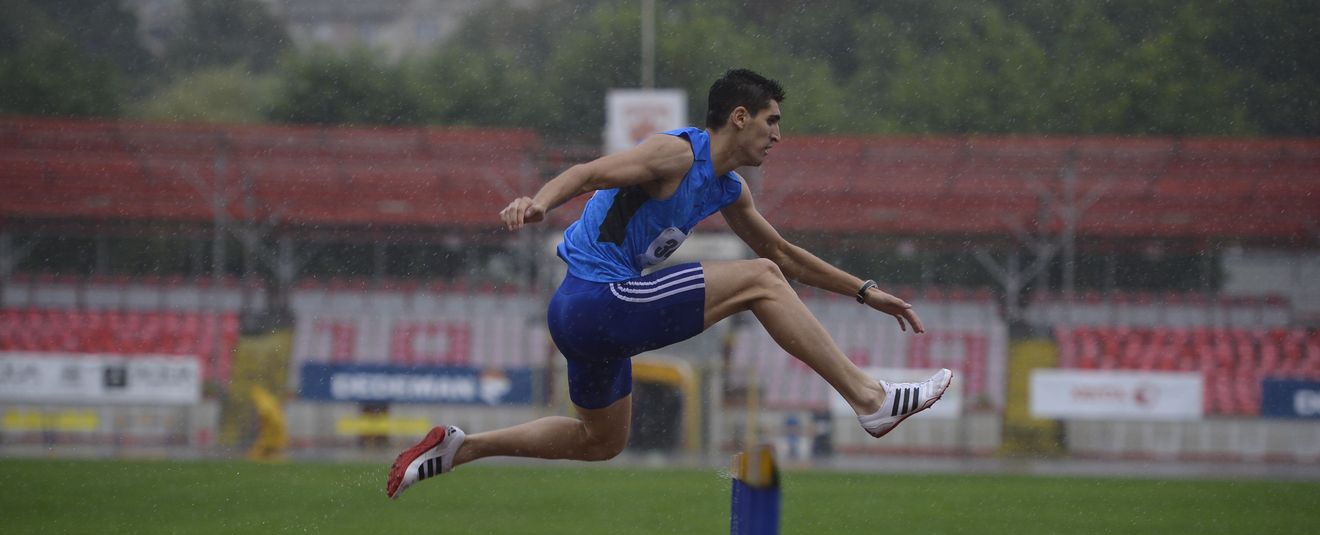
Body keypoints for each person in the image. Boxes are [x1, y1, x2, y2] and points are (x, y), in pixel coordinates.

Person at [387, 68, 951, 500]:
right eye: (771, 121)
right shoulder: (677, 153)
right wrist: (536, 203)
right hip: (596, 299)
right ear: (738, 117)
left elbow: (783, 251)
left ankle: (461, 448)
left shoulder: (728, 189)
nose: (778, 136)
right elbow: (587, 173)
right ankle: (871, 400)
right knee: (760, 280)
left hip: (587, 317)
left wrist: (865, 290)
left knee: (601, 441)